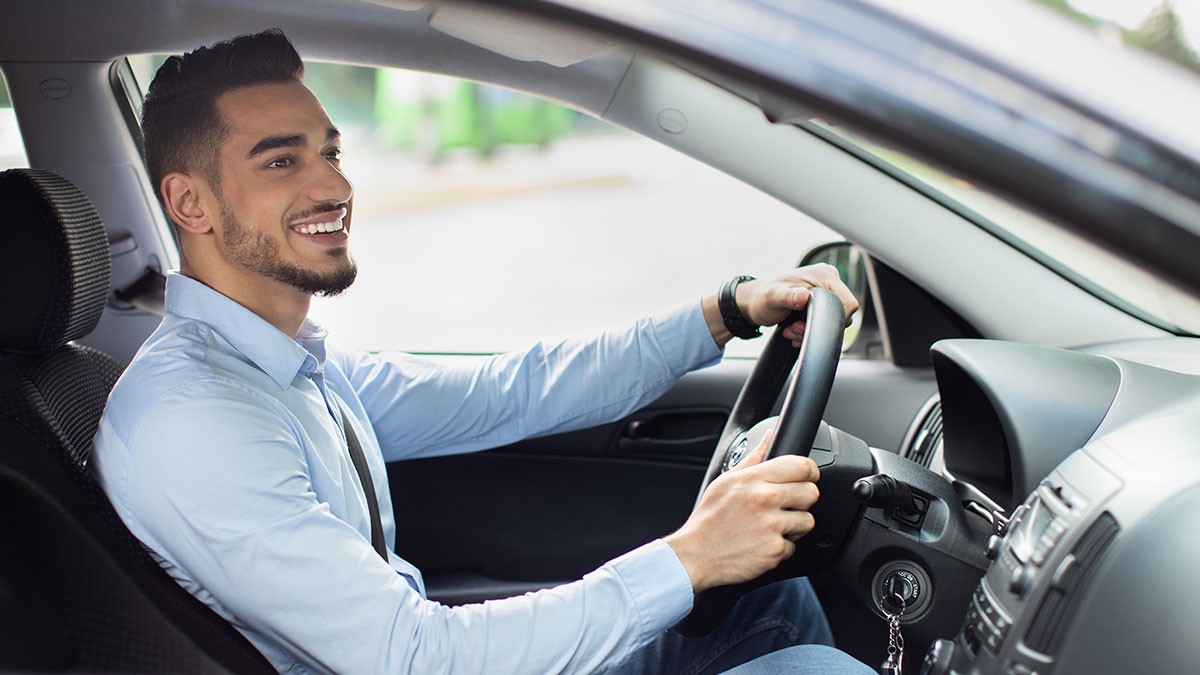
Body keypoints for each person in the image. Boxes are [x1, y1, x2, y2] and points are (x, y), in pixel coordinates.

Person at [91, 29, 872, 675]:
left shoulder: (292, 366)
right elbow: (411, 655)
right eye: (281, 160)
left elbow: (516, 389)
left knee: (771, 596)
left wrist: (725, 311)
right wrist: (691, 554)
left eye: (331, 151)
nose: (331, 185)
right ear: (190, 202)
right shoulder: (196, 420)